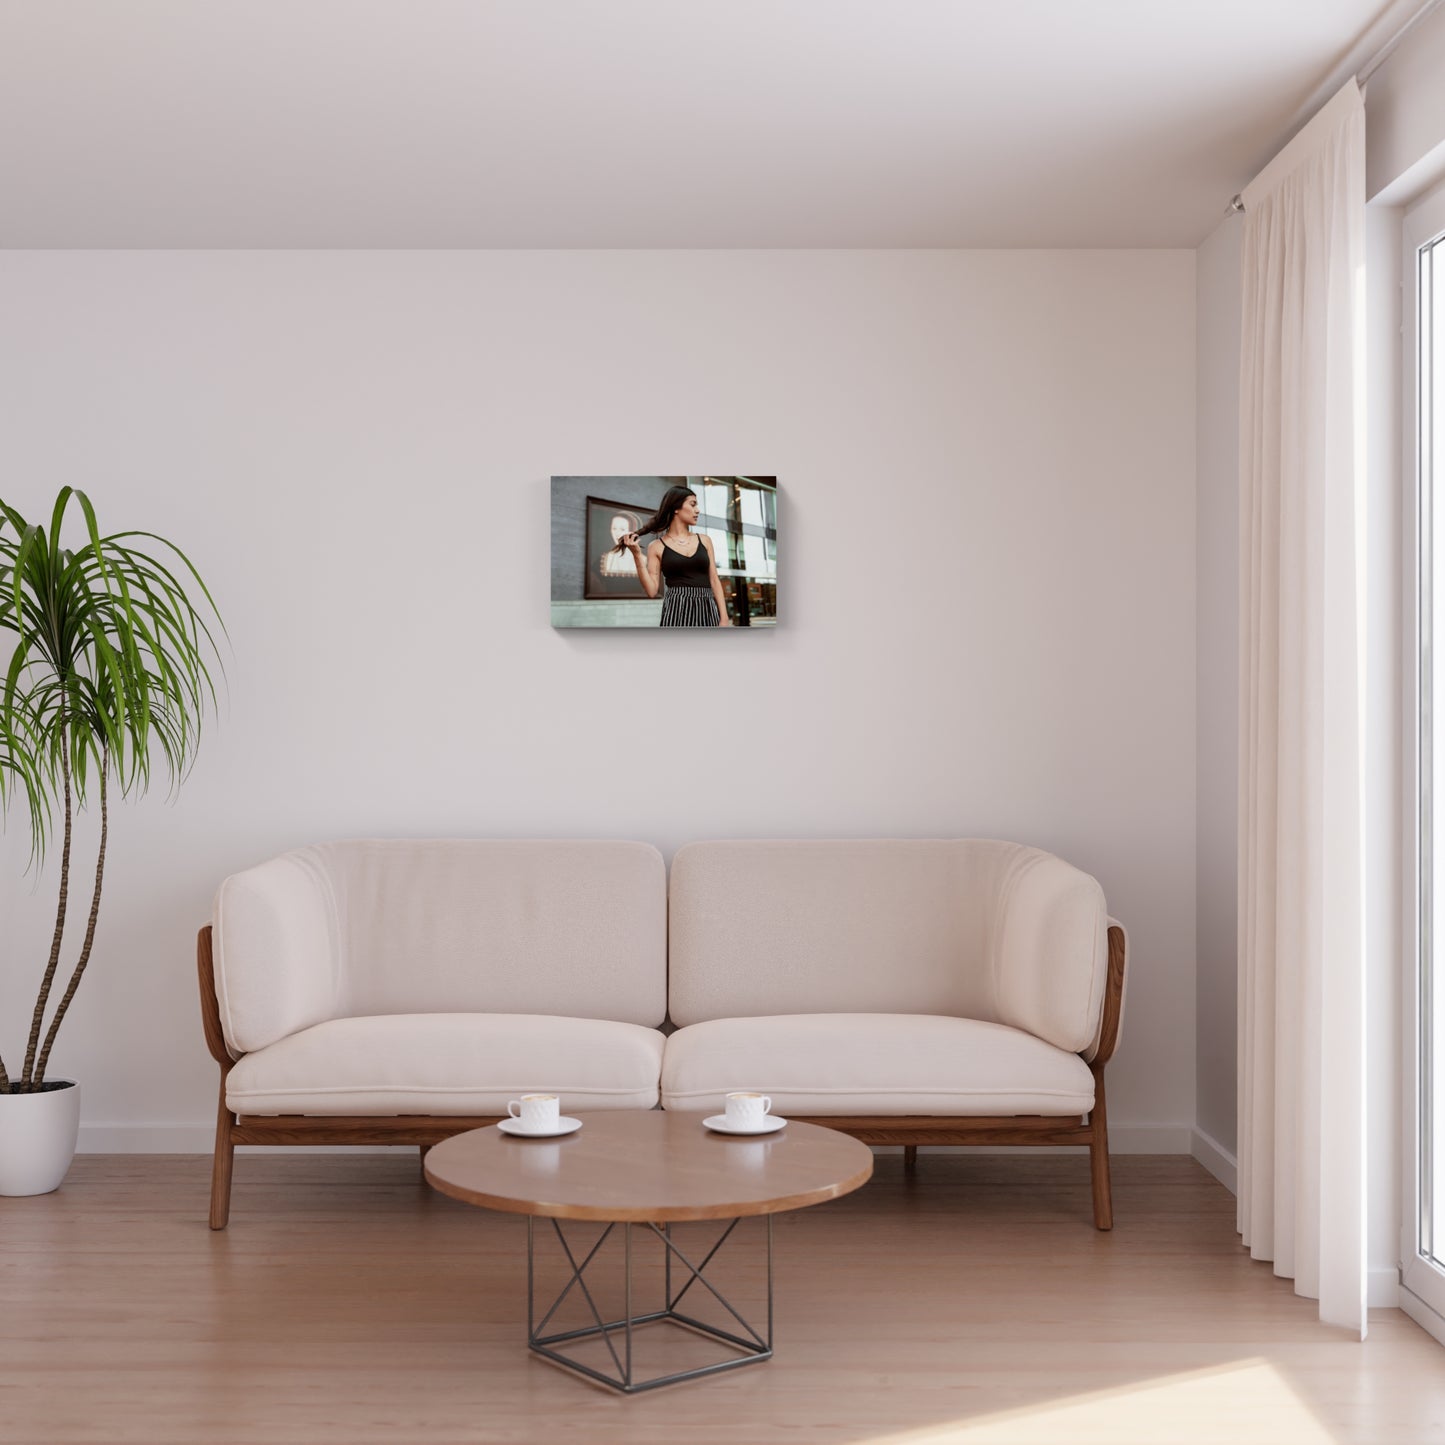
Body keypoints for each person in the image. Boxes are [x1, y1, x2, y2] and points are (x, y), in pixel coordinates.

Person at [615, 485, 732, 627]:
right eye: (693, 504)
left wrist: (724, 617)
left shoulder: (705, 540)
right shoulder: (656, 546)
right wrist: (637, 556)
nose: (698, 510)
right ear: (676, 508)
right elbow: (652, 591)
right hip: (676, 609)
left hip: (707, 608)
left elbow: (714, 580)